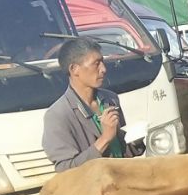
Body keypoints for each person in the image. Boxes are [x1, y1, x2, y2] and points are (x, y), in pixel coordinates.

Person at [42, 37, 126, 172]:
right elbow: (65, 170)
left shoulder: (111, 99)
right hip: (93, 189)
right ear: (74, 69)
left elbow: (122, 150)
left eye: (102, 62)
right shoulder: (57, 116)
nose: (103, 69)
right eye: (96, 64)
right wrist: (104, 139)